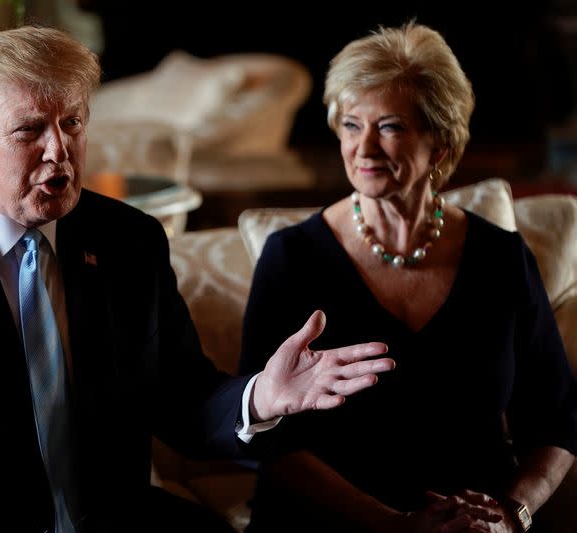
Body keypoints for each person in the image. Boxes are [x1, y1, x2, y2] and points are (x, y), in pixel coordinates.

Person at [0, 25, 396, 532]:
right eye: (29, 130)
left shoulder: (129, 240)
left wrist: (258, 398)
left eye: (72, 123)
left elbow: (183, 396)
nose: (58, 151)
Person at [238, 21, 577, 533]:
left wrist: (514, 511)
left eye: (390, 127)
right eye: (352, 125)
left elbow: (557, 418)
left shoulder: (500, 257)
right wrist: (395, 526)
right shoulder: (293, 258)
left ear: (438, 145)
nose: (364, 149)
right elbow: (271, 441)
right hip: (331, 526)